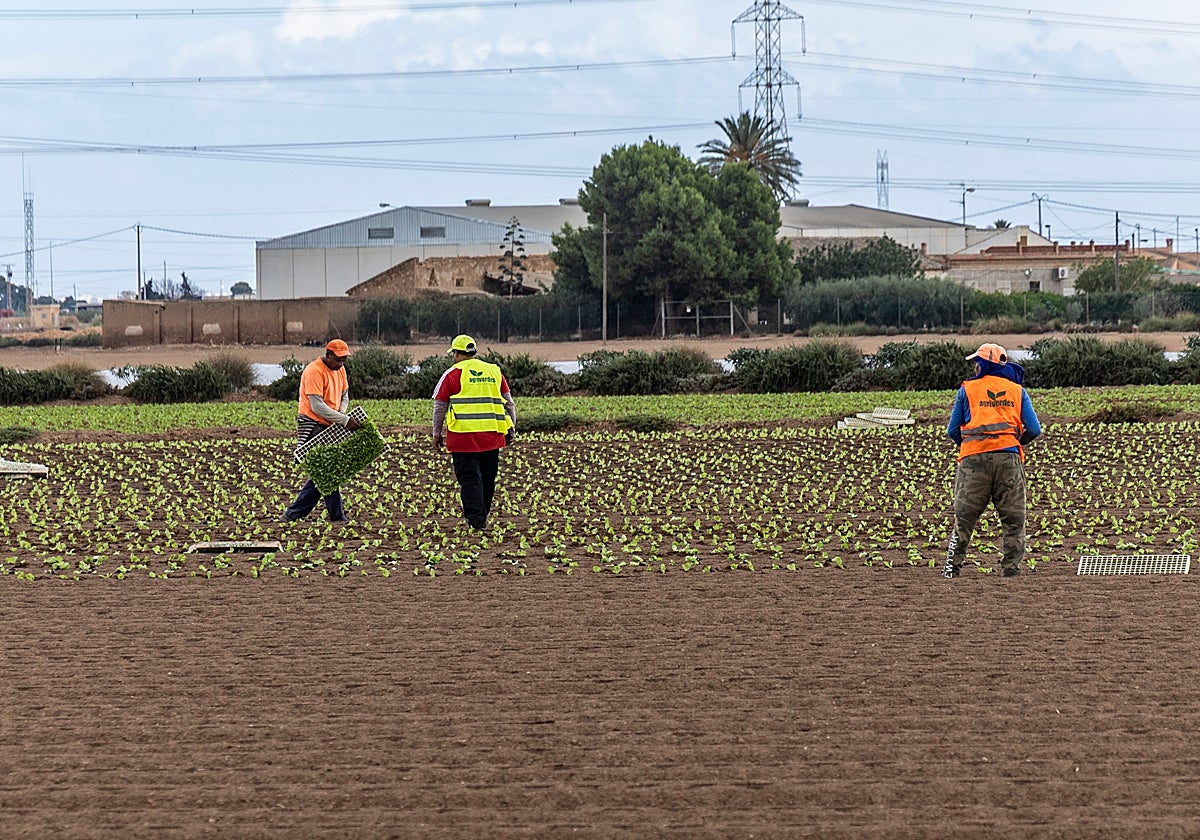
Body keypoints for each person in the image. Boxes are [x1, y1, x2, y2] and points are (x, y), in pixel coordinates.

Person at [942, 342, 1042, 579]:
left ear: (985, 364)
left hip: (973, 461)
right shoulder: (1017, 390)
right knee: (1014, 521)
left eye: (978, 362)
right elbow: (1035, 429)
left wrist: (970, 445)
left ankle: (951, 570)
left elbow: (952, 430)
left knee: (964, 520)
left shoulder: (966, 390)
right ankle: (1011, 571)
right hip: (1008, 461)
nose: (975, 366)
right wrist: (1014, 443)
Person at [431, 334, 516, 530]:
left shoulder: (452, 374)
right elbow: (509, 403)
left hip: (463, 438)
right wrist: (511, 428)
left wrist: (436, 433)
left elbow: (439, 407)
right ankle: (482, 515)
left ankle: (476, 520)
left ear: (456, 354)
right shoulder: (494, 371)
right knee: (487, 478)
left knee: (470, 479)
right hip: (492, 436)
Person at [281, 338, 362, 524]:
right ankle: (335, 516)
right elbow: (317, 406)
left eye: (344, 360)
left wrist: (340, 413)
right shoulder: (314, 371)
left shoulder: (340, 370)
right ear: (328, 355)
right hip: (313, 423)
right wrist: (344, 420)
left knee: (324, 472)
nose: (341, 364)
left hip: (331, 423)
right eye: (338, 359)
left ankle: (295, 514)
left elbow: (344, 395)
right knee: (326, 471)